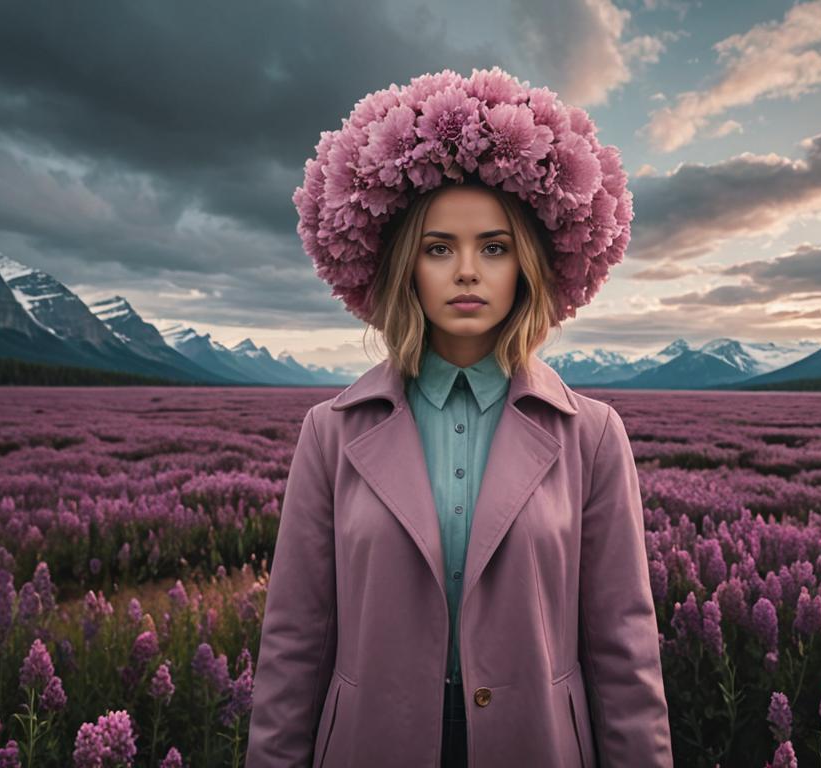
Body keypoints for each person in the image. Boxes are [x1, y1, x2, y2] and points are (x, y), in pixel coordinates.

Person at [246, 66, 673, 768]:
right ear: (405, 268)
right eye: (438, 247)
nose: (467, 271)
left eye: (494, 248)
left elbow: (625, 651)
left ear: (526, 268)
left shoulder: (592, 435)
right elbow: (293, 642)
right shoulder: (331, 432)